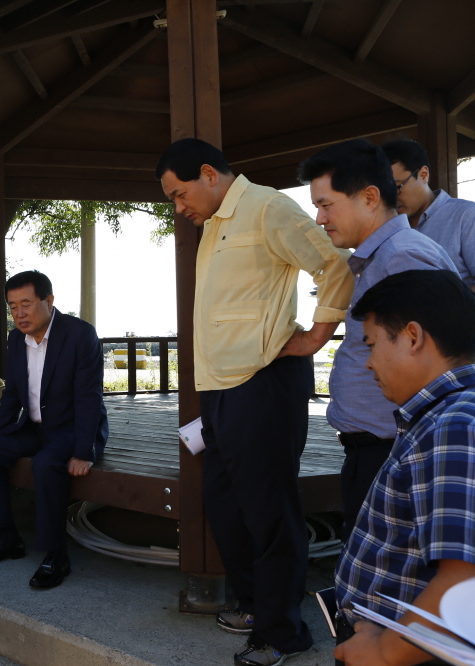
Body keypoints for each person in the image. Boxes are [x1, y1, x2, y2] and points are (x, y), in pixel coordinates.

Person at [157, 138, 354, 666]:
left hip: (264, 382)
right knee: (224, 504)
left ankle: (282, 633)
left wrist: (316, 336)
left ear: (208, 173)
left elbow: (334, 264)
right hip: (220, 389)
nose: (180, 209)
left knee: (269, 512)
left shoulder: (269, 207)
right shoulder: (215, 224)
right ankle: (256, 604)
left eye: (179, 195)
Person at [298, 139, 458, 543]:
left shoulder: (402, 258)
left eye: (326, 204)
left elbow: (438, 368)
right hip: (376, 448)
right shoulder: (385, 257)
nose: (319, 218)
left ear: (369, 197)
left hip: (393, 451)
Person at [333, 270, 475, 666]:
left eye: (372, 345)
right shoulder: (444, 416)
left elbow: (466, 582)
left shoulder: (456, 424)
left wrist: (383, 652)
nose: (368, 364)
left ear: (413, 337)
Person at [0, 271, 106, 590]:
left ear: (49, 301)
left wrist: (84, 451)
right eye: (12, 306)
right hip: (33, 426)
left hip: (71, 429)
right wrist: (1, 435)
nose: (19, 313)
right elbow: (12, 392)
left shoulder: (79, 335)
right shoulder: (16, 338)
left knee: (45, 464)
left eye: (26, 304)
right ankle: (7, 539)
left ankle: (56, 554)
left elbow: (89, 398)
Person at [380, 138, 475, 288]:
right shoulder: (387, 228)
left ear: (424, 174)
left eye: (397, 187)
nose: (390, 198)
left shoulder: (466, 216)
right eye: (384, 192)